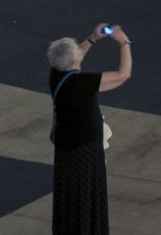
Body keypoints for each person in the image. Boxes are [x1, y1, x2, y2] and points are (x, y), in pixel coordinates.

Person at [47, 23, 132, 235]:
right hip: (85, 152)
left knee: (69, 200)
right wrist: (124, 42)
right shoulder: (83, 83)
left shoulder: (57, 75)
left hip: (67, 150)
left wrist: (93, 38)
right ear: (74, 59)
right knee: (86, 198)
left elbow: (73, 59)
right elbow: (124, 74)